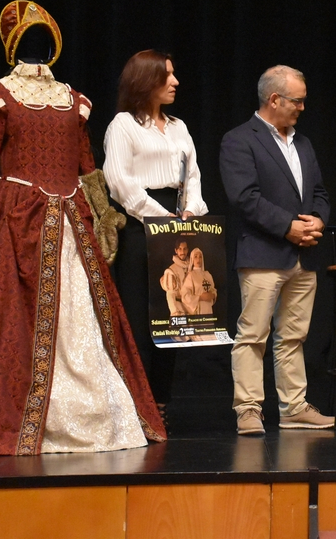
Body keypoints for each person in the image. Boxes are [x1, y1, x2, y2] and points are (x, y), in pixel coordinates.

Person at [0, 0, 165, 457]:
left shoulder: (74, 102)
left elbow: (87, 166)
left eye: (44, 38)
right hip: (17, 221)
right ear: (13, 45)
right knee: (3, 321)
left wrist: (102, 216)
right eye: (29, 39)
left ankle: (92, 413)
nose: (37, 47)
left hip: (73, 220)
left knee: (84, 325)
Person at [221, 65, 333, 435]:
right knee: (253, 335)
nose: (302, 107)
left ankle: (294, 407)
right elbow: (244, 198)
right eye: (296, 101)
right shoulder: (240, 139)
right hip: (263, 254)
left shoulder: (302, 142)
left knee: (294, 336)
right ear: (274, 99)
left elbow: (319, 192)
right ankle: (249, 409)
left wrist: (316, 218)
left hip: (304, 255)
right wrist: (289, 227)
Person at [103, 50, 209, 420]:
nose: (175, 82)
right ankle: (137, 404)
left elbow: (193, 175)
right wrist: (161, 216)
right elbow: (119, 182)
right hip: (141, 226)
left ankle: (161, 402)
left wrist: (190, 211)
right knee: (139, 317)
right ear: (146, 80)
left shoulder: (179, 126)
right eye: (167, 75)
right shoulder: (123, 125)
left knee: (173, 316)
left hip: (179, 222)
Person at [181, 248, 217, 315]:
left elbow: (213, 290)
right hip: (198, 310)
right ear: (192, 259)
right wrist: (200, 297)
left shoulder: (207, 274)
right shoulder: (191, 275)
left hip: (208, 309)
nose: (198, 259)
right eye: (195, 257)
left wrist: (212, 295)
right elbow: (185, 295)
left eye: (200, 257)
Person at [161, 238, 192, 316]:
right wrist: (175, 312)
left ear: (187, 250)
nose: (182, 252)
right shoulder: (171, 270)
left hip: (192, 307)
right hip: (179, 309)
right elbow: (170, 294)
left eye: (184, 249)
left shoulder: (192, 266)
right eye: (180, 249)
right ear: (176, 250)